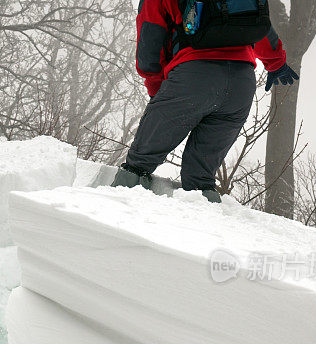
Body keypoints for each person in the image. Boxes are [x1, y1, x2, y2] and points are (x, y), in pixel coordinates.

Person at [113, 0, 299, 203]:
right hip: (241, 85)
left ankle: (110, 214)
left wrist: (156, 87)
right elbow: (257, 23)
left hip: (193, 78)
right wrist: (276, 63)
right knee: (200, 180)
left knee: (138, 165)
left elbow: (150, 39)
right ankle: (206, 222)